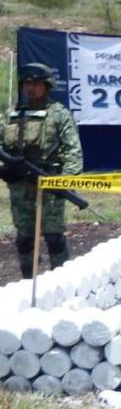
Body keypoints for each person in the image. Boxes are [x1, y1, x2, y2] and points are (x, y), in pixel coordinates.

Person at [2, 63, 83, 278]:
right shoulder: (12, 115)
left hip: (50, 185)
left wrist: (63, 183)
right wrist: (5, 170)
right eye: (27, 83)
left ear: (47, 86)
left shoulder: (58, 114)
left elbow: (74, 152)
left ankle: (60, 283)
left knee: (54, 238)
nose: (31, 88)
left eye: (36, 83)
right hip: (21, 188)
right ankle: (29, 283)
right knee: (25, 239)